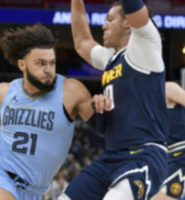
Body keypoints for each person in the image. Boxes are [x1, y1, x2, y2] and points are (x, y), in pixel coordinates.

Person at [0, 23, 111, 200]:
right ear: (22, 65)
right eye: (41, 64)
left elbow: (106, 128)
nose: (48, 70)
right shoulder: (2, 92)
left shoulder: (70, 91)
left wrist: (102, 105)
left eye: (52, 63)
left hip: (36, 192)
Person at [58, 0, 169, 199]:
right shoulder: (111, 56)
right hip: (112, 156)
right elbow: (82, 42)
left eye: (110, 19)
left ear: (128, 23)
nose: (103, 25)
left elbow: (134, 6)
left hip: (144, 154)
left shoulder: (145, 44)